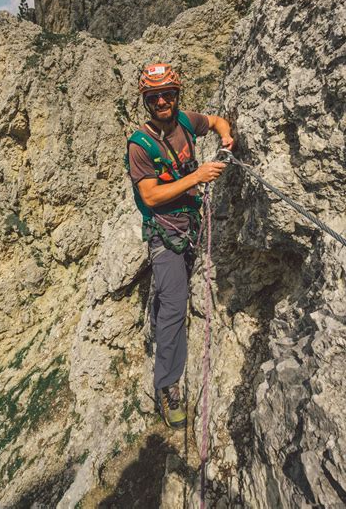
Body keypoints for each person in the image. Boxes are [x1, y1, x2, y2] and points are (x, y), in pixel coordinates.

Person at [126, 63, 234, 428]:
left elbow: (216, 121)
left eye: (167, 95)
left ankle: (158, 326)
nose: (161, 101)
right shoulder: (140, 145)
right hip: (165, 233)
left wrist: (226, 136)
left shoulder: (186, 121)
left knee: (170, 295)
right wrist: (197, 175)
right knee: (174, 303)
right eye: (154, 97)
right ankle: (167, 386)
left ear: (176, 96)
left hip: (191, 222)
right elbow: (151, 195)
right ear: (146, 102)